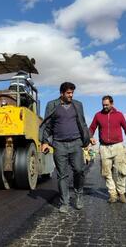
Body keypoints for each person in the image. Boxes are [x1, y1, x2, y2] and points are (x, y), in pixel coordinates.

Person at [39, 82, 90, 213]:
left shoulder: (77, 105)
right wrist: (44, 141)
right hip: (59, 144)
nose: (71, 95)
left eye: (72, 93)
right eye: (68, 93)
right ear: (61, 93)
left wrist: (87, 138)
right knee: (62, 175)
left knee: (79, 170)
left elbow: (83, 123)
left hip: (76, 143)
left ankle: (78, 195)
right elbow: (47, 125)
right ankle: (65, 202)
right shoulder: (52, 105)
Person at [89, 95, 126, 204]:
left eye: (107, 104)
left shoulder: (119, 115)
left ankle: (121, 192)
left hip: (118, 146)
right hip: (104, 147)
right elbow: (91, 128)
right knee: (106, 172)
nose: (105, 106)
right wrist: (90, 137)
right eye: (103, 105)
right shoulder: (98, 115)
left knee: (121, 171)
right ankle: (112, 194)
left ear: (112, 103)